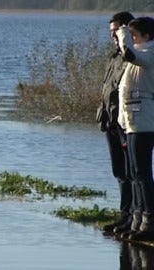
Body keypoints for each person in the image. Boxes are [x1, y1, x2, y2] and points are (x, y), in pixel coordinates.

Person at [116, 16, 154, 241]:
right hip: (132, 120)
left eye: (134, 36)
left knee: (142, 172)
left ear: (146, 36)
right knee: (134, 172)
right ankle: (137, 217)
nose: (130, 40)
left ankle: (149, 220)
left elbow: (129, 54)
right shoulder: (141, 54)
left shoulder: (149, 52)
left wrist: (122, 34)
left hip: (145, 121)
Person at [97, 11, 135, 234]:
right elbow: (107, 90)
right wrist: (102, 116)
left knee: (134, 172)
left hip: (127, 123)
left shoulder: (133, 57)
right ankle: (125, 214)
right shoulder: (113, 58)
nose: (113, 36)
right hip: (110, 122)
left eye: (116, 32)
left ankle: (136, 215)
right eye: (111, 32)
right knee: (119, 171)